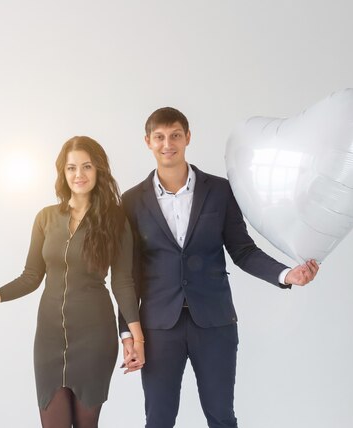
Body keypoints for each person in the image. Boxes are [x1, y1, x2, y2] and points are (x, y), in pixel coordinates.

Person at [119, 107, 319, 428]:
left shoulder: (221, 191)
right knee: (158, 420)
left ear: (188, 137)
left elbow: (243, 250)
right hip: (157, 329)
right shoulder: (130, 202)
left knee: (221, 417)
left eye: (175, 135)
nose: (167, 143)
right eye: (159, 137)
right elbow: (126, 275)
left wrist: (286, 274)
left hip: (214, 324)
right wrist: (128, 333)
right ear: (148, 142)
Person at [0, 136, 145, 428]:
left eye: (86, 167)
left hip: (95, 337)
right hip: (49, 339)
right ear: (62, 172)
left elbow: (123, 282)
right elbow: (30, 277)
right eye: (71, 168)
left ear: (99, 171)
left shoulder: (115, 221)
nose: (79, 175)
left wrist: (135, 338)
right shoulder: (45, 218)